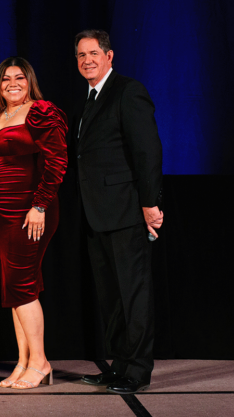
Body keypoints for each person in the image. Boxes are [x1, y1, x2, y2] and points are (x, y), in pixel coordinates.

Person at [73, 30, 163, 395]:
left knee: (133, 293)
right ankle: (120, 365)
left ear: (109, 56)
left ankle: (137, 370)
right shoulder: (89, 98)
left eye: (94, 53)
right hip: (97, 213)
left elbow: (147, 150)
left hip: (126, 210)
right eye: (81, 55)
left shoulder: (128, 91)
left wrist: (150, 203)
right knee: (112, 297)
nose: (87, 60)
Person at [0, 57, 68, 390]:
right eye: (6, 79)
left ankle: (41, 362)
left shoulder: (41, 111)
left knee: (21, 285)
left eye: (19, 77)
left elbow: (57, 160)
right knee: (14, 288)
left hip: (30, 210)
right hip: (2, 213)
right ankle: (23, 361)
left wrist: (40, 205)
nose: (13, 84)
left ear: (30, 81)